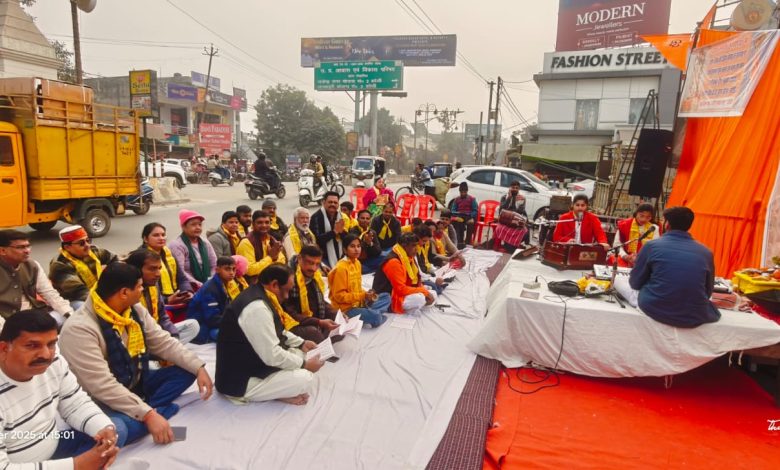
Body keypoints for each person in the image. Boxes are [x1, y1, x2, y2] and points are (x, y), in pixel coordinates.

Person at [59, 262, 213, 447]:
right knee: (118, 430)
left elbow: (162, 341)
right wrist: (148, 415)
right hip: (99, 399)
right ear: (124, 292)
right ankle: (153, 412)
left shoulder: (133, 309)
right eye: (139, 286)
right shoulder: (79, 329)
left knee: (187, 370)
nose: (143, 290)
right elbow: (101, 385)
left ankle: (143, 412)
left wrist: (198, 366)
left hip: (136, 380)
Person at [0, 309, 119, 468]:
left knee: (113, 431)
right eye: (32, 346)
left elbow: (75, 403)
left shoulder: (54, 361)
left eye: (51, 344)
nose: (45, 354)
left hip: (56, 446)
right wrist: (76, 465)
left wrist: (103, 428)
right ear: (4, 349)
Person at [215, 263, 324, 406]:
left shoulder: (261, 294)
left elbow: (277, 330)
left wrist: (302, 343)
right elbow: (272, 355)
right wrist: (305, 365)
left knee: (300, 353)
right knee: (305, 377)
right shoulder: (257, 308)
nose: (287, 296)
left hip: (253, 360)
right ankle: (272, 392)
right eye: (287, 290)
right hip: (239, 380)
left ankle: (277, 390)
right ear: (274, 285)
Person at [614, 207, 721, 328]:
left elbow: (635, 283)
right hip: (694, 313)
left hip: (655, 307)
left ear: (667, 224)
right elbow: (708, 292)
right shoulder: (706, 252)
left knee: (617, 279)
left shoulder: (651, 246)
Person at [125, 250, 200, 345]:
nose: (158, 274)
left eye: (159, 269)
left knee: (193, 325)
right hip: (137, 339)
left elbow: (163, 317)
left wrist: (174, 337)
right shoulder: (127, 292)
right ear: (136, 269)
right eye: (152, 269)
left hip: (156, 332)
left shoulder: (154, 285)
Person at [0, 230, 73, 325]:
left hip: (36, 315)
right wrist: (6, 331)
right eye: (20, 247)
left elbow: (49, 293)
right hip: (8, 322)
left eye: (28, 246)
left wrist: (69, 314)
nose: (27, 251)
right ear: (2, 250)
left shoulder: (32, 265)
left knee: (73, 313)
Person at [328, 233, 390, 328]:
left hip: (359, 303)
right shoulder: (341, 268)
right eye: (352, 246)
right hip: (346, 309)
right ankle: (373, 314)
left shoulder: (357, 263)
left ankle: (369, 312)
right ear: (345, 250)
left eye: (358, 246)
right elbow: (339, 296)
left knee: (386, 296)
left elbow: (357, 288)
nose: (356, 249)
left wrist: (367, 295)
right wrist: (362, 295)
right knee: (376, 317)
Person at [49, 225, 117, 310]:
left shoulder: (93, 251)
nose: (87, 245)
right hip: (74, 300)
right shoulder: (59, 265)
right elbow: (79, 291)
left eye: (88, 240)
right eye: (81, 243)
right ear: (67, 247)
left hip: (97, 293)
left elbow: (115, 260)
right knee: (89, 309)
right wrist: (106, 301)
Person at [283, 245, 339, 343]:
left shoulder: (314, 276)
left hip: (313, 317)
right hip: (294, 322)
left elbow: (320, 301)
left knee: (337, 318)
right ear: (299, 258)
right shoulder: (288, 280)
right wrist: (318, 322)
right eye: (310, 263)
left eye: (317, 264)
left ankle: (322, 339)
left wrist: (337, 313)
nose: (314, 268)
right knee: (314, 333)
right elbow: (290, 314)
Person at [371, 233, 437, 314]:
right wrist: (423, 291)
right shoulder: (393, 262)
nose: (416, 249)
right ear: (404, 246)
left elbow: (415, 282)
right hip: (389, 296)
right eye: (413, 245)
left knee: (433, 292)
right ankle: (410, 306)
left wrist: (423, 290)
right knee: (420, 299)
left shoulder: (408, 256)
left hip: (402, 290)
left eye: (417, 245)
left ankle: (414, 306)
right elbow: (400, 289)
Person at [187, 256, 243, 344]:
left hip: (216, 323)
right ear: (217, 270)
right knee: (237, 335)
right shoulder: (210, 289)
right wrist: (235, 322)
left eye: (234, 269)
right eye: (227, 269)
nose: (232, 273)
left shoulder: (228, 284)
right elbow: (212, 319)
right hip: (203, 328)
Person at [140, 223, 193, 304]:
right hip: (156, 302)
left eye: (163, 235)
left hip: (176, 296)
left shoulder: (169, 253)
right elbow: (144, 288)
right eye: (156, 235)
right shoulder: (141, 257)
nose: (161, 238)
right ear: (145, 239)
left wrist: (187, 292)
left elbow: (182, 279)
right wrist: (166, 300)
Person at [168, 209, 218, 291]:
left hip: (208, 284)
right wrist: (200, 285)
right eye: (193, 224)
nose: (198, 227)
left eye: (200, 224)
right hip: (188, 286)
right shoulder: (177, 245)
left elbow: (214, 264)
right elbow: (181, 272)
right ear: (183, 227)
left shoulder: (205, 242)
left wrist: (211, 281)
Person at [237, 210, 286, 279]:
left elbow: (282, 261)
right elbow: (250, 270)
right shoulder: (246, 242)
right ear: (253, 224)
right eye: (260, 223)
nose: (264, 225)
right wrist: (270, 258)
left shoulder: (271, 239)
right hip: (252, 283)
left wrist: (275, 258)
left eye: (267, 222)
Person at [611, 203, 658, 267]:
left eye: (648, 217)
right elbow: (616, 245)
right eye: (641, 215)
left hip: (644, 260)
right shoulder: (624, 224)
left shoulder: (653, 228)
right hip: (624, 257)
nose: (644, 219)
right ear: (636, 213)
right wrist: (626, 256)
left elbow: (655, 248)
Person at [310, 191, 346, 269]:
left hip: (340, 254)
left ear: (338, 204)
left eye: (335, 202)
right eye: (330, 202)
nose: (333, 204)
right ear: (324, 202)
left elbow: (344, 237)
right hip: (322, 256)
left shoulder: (340, 216)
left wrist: (341, 232)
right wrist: (334, 232)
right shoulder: (316, 217)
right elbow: (317, 240)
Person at [494, 180, 530, 252]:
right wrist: (509, 198)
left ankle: (513, 245)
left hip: (516, 221)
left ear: (519, 189)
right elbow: (501, 209)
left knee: (524, 230)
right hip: (505, 221)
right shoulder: (504, 197)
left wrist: (512, 212)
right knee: (500, 228)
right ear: (510, 188)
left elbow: (520, 211)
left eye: (517, 188)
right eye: (513, 187)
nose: (515, 189)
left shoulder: (522, 198)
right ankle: (509, 245)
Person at [412, 225, 449, 295]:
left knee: (435, 285)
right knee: (433, 288)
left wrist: (434, 274)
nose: (425, 243)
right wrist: (432, 279)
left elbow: (424, 265)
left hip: (422, 275)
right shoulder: (412, 250)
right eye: (424, 241)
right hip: (416, 280)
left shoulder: (421, 247)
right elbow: (417, 274)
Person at [350, 210, 383, 274]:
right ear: (357, 219)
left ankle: (370, 270)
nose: (365, 220)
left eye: (367, 219)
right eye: (362, 218)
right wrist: (365, 243)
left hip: (369, 260)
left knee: (385, 257)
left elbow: (378, 251)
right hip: (355, 260)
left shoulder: (372, 232)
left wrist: (370, 243)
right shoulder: (353, 231)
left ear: (370, 220)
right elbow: (353, 250)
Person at [448, 182, 478, 249]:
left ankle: (468, 241)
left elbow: (475, 210)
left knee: (471, 223)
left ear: (467, 191)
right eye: (462, 192)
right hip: (459, 216)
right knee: (456, 222)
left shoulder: (472, 199)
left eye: (464, 192)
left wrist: (471, 216)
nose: (463, 193)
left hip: (468, 216)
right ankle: (459, 241)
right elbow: (453, 210)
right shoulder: (457, 199)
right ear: (459, 191)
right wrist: (457, 214)